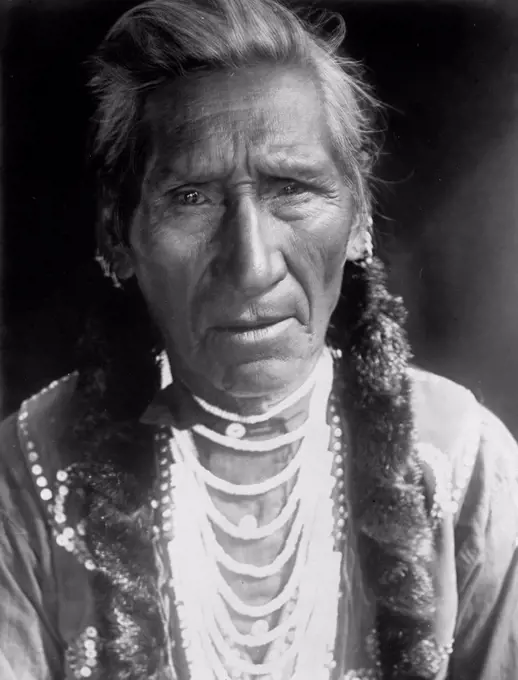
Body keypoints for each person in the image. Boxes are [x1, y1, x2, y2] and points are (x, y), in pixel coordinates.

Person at [1, 0, 517, 678]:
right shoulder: (32, 469)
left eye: (293, 188)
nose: (252, 265)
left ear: (359, 217)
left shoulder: (461, 461)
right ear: (114, 235)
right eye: (191, 198)